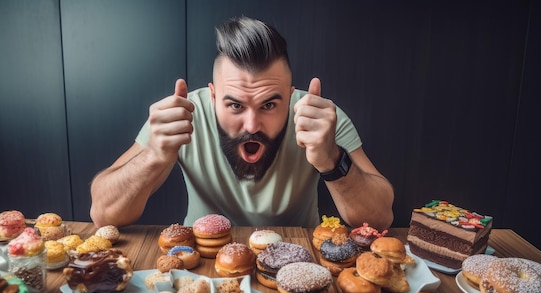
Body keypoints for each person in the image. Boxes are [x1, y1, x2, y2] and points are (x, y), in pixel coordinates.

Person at [90, 16, 394, 230]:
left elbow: (381, 218)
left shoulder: (319, 118)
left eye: (269, 105)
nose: (251, 124)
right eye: (235, 104)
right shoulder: (183, 113)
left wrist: (332, 160)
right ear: (212, 96)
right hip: (200, 260)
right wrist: (153, 157)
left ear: (291, 97)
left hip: (301, 259)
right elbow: (103, 214)